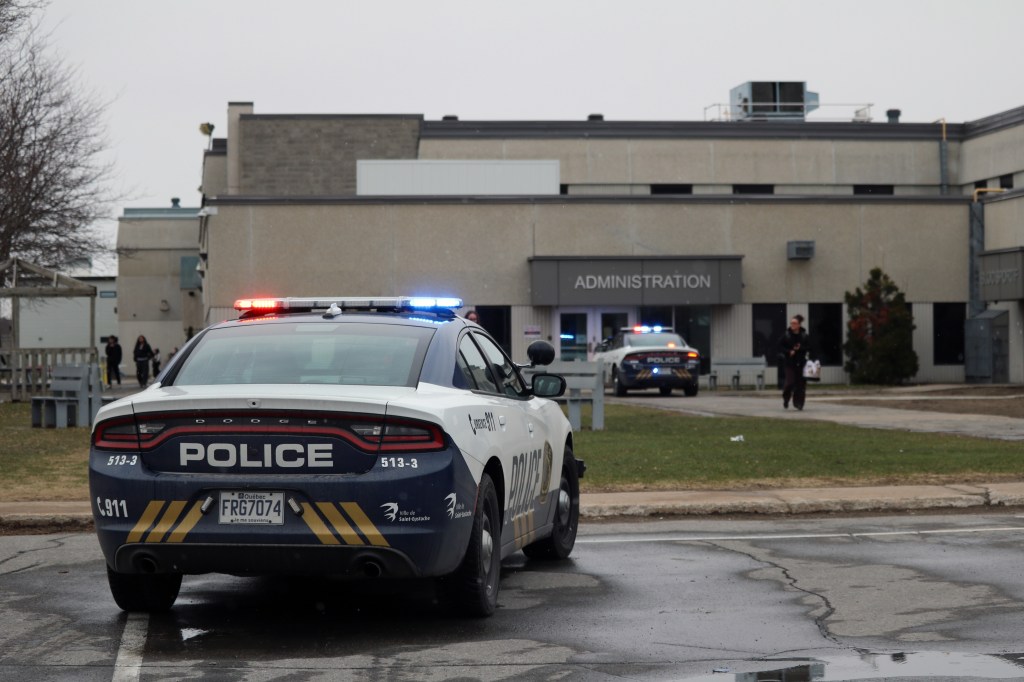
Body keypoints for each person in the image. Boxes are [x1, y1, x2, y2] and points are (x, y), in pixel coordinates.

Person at [778, 314, 811, 410]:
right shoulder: (786, 335)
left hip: (801, 363)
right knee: (790, 382)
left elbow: (810, 347)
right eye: (791, 323)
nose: (792, 325)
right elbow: (779, 346)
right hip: (789, 363)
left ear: (799, 325)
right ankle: (786, 398)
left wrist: (800, 349)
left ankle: (799, 403)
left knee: (801, 385)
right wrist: (789, 352)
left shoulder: (804, 336)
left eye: (794, 323)